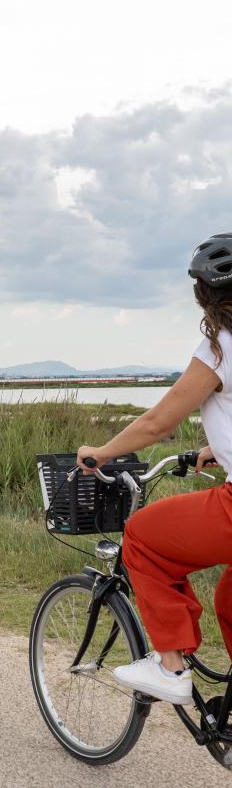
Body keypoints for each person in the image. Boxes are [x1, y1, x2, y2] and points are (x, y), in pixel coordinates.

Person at [77, 234, 232, 706]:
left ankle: (170, 666)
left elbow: (157, 423)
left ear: (203, 294)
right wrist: (218, 448)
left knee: (142, 536)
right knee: (228, 601)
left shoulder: (220, 348)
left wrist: (101, 452)